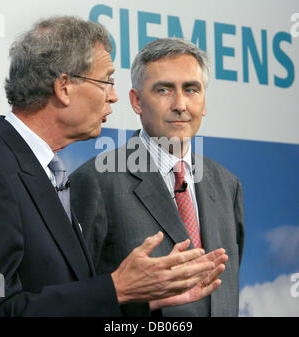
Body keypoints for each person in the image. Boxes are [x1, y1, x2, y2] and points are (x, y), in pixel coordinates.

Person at [0, 17, 227, 317]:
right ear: (64, 87)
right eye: (106, 80)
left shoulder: (45, 170)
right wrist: (115, 288)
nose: (113, 96)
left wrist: (140, 300)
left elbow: (62, 294)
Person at [70, 38, 244, 317]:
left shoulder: (227, 185)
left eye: (191, 90)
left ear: (204, 101)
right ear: (136, 101)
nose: (180, 105)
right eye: (164, 90)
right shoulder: (96, 181)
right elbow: (74, 300)